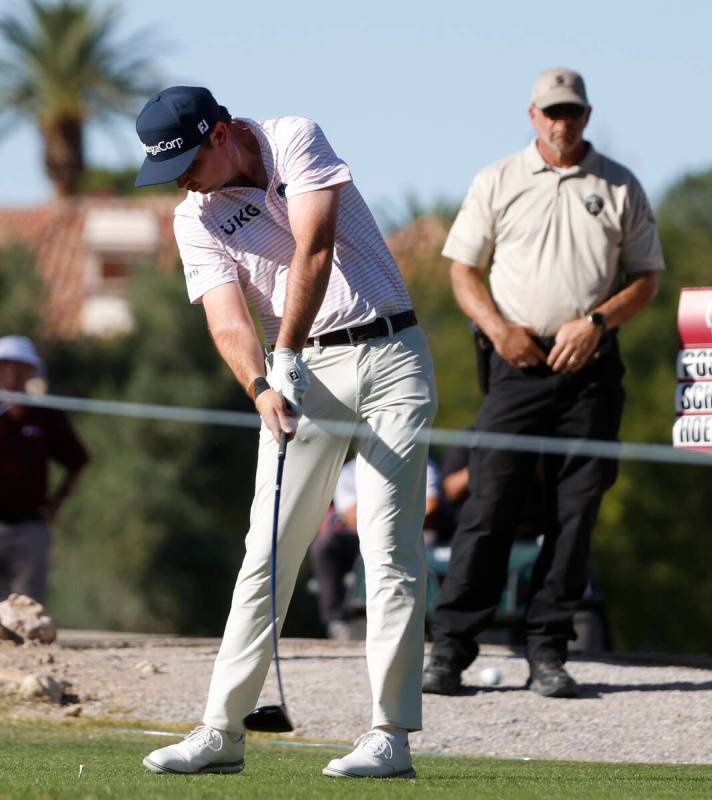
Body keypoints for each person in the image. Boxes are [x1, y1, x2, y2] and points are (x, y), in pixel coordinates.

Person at [133, 86, 436, 778]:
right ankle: (221, 732)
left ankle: (389, 734)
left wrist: (288, 352)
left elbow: (316, 244)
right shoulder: (195, 217)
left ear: (218, 136)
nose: (180, 179)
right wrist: (260, 384)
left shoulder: (293, 136)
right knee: (265, 551)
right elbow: (225, 317)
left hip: (391, 353)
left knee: (387, 548)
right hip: (299, 378)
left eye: (185, 160)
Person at [422, 67, 664, 699]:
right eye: (552, 111)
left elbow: (645, 278)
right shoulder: (498, 179)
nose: (563, 122)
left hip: (589, 365)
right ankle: (449, 649)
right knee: (488, 504)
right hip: (517, 359)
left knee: (576, 512)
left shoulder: (619, 185)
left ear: (587, 115)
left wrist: (597, 322)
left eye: (573, 112)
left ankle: (549, 650)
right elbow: (463, 272)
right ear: (532, 115)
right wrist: (499, 329)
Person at [310, 456, 442, 640]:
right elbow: (351, 516)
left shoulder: (422, 464)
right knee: (326, 544)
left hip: (412, 537)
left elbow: (431, 506)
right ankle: (337, 620)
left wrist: (386, 523)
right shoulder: (349, 470)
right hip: (366, 536)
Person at [0, 336, 89, 605]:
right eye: (7, 365)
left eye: (21, 366)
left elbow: (77, 460)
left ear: (31, 372)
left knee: (28, 614)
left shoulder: (45, 416)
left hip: (29, 527)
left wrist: (56, 504)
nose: (14, 373)